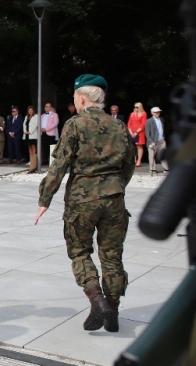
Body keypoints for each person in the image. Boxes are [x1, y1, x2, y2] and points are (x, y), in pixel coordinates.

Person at [35, 74, 134, 333]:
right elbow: (129, 165)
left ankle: (97, 300)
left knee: (80, 252)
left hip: (82, 200)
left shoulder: (75, 124)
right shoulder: (119, 126)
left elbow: (59, 164)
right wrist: (115, 188)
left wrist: (45, 198)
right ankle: (112, 310)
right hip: (114, 200)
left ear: (82, 98)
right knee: (112, 257)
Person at [145, 106, 169, 173]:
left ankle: (166, 168)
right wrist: (151, 141)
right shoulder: (149, 121)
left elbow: (162, 129)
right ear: (152, 113)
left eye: (158, 112)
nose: (157, 113)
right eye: (156, 112)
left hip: (161, 140)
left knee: (163, 154)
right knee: (152, 155)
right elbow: (147, 133)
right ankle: (152, 168)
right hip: (153, 141)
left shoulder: (161, 119)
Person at [127, 102, 147, 167]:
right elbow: (129, 124)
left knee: (139, 146)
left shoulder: (143, 114)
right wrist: (130, 132)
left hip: (139, 132)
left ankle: (139, 160)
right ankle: (134, 160)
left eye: (137, 107)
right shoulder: (132, 114)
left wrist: (136, 132)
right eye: (135, 107)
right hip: (132, 132)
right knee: (132, 146)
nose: (136, 108)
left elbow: (143, 124)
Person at [24, 105, 39, 172]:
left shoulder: (36, 116)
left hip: (33, 134)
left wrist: (30, 131)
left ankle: (34, 161)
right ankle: (30, 160)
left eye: (31, 110)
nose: (30, 111)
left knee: (33, 147)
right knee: (29, 147)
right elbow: (24, 125)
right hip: (27, 134)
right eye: (29, 110)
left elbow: (36, 124)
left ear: (33, 111)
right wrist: (25, 131)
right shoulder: (26, 117)